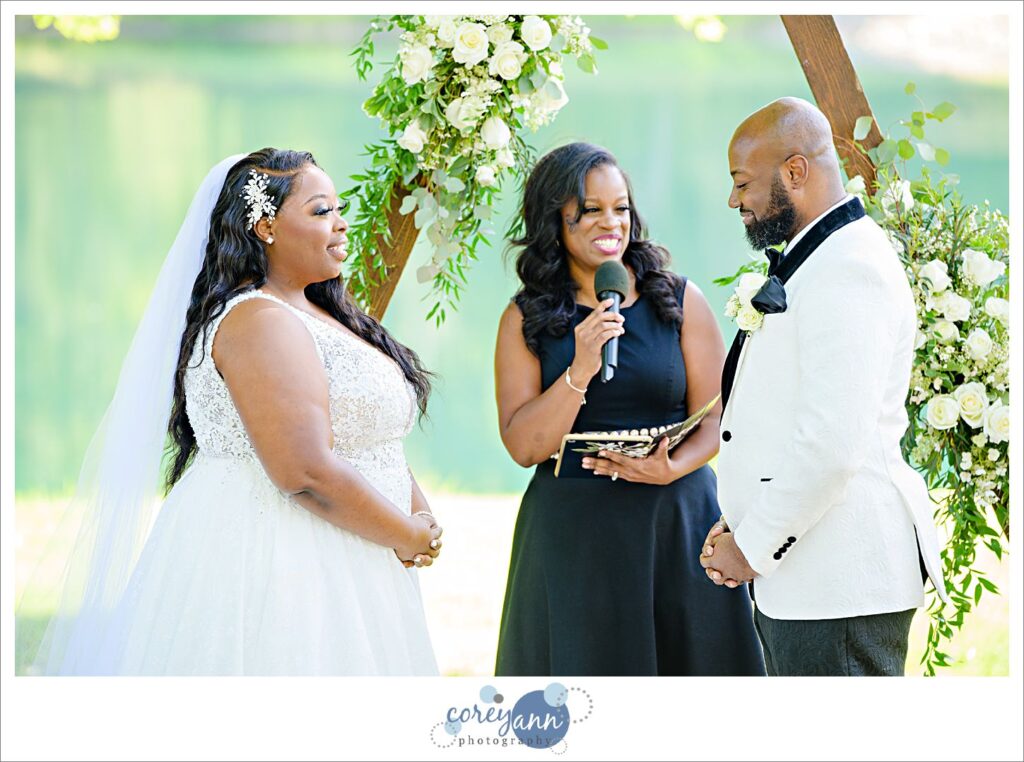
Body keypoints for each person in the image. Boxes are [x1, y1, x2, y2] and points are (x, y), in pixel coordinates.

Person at [22, 149, 442, 675]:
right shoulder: (258, 321)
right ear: (266, 226)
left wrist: (412, 514)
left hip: (359, 551)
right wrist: (404, 534)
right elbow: (304, 471)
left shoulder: (318, 310)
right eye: (319, 211)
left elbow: (367, 435)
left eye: (338, 207)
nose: (341, 223)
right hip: (285, 559)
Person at [493, 142, 765, 676]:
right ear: (555, 219)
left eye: (619, 207)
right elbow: (524, 447)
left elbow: (718, 420)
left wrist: (672, 468)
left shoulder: (679, 299)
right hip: (574, 531)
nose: (610, 222)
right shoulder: (523, 318)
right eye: (590, 210)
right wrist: (581, 366)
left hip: (677, 523)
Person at [700, 97, 948, 676]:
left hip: (839, 588)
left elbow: (831, 444)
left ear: (794, 172)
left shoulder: (849, 268)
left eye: (742, 183)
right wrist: (740, 519)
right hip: (807, 581)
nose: (734, 200)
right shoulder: (820, 257)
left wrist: (753, 544)